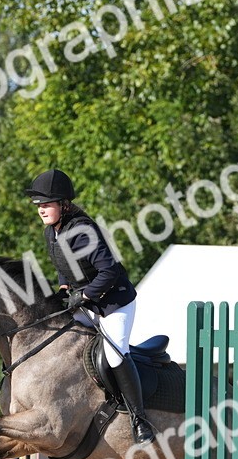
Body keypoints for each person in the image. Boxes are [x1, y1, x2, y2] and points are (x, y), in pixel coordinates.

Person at [25, 169, 154, 444]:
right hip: (86, 300)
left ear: (63, 204)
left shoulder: (83, 231)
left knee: (116, 354)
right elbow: (64, 266)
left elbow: (109, 271)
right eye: (38, 204)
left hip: (113, 302)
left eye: (46, 204)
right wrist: (63, 288)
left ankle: (139, 419)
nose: (41, 209)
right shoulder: (53, 232)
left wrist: (83, 297)